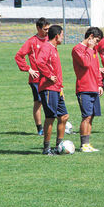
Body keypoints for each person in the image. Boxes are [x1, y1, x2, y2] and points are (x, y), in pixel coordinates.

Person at [36, 25, 69, 155]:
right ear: (57, 36)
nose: (63, 37)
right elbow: (39, 62)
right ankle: (46, 149)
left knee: (64, 116)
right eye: (62, 35)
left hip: (57, 89)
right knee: (50, 118)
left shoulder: (54, 49)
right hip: (48, 88)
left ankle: (58, 147)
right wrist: (49, 75)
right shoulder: (46, 47)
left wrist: (61, 88)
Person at [15, 17, 50, 135]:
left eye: (48, 29)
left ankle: (50, 126)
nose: (47, 31)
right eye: (45, 29)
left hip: (49, 77)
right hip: (36, 79)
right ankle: (40, 128)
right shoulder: (31, 41)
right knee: (39, 102)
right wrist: (28, 69)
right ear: (38, 28)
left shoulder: (50, 40)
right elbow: (19, 56)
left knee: (51, 101)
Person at [72, 27, 104, 152]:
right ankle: (83, 145)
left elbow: (96, 68)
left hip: (94, 87)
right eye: (97, 40)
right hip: (84, 88)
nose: (97, 44)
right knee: (86, 116)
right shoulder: (77, 49)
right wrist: (90, 49)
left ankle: (88, 143)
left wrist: (100, 84)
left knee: (92, 116)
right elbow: (85, 63)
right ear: (90, 37)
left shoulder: (94, 51)